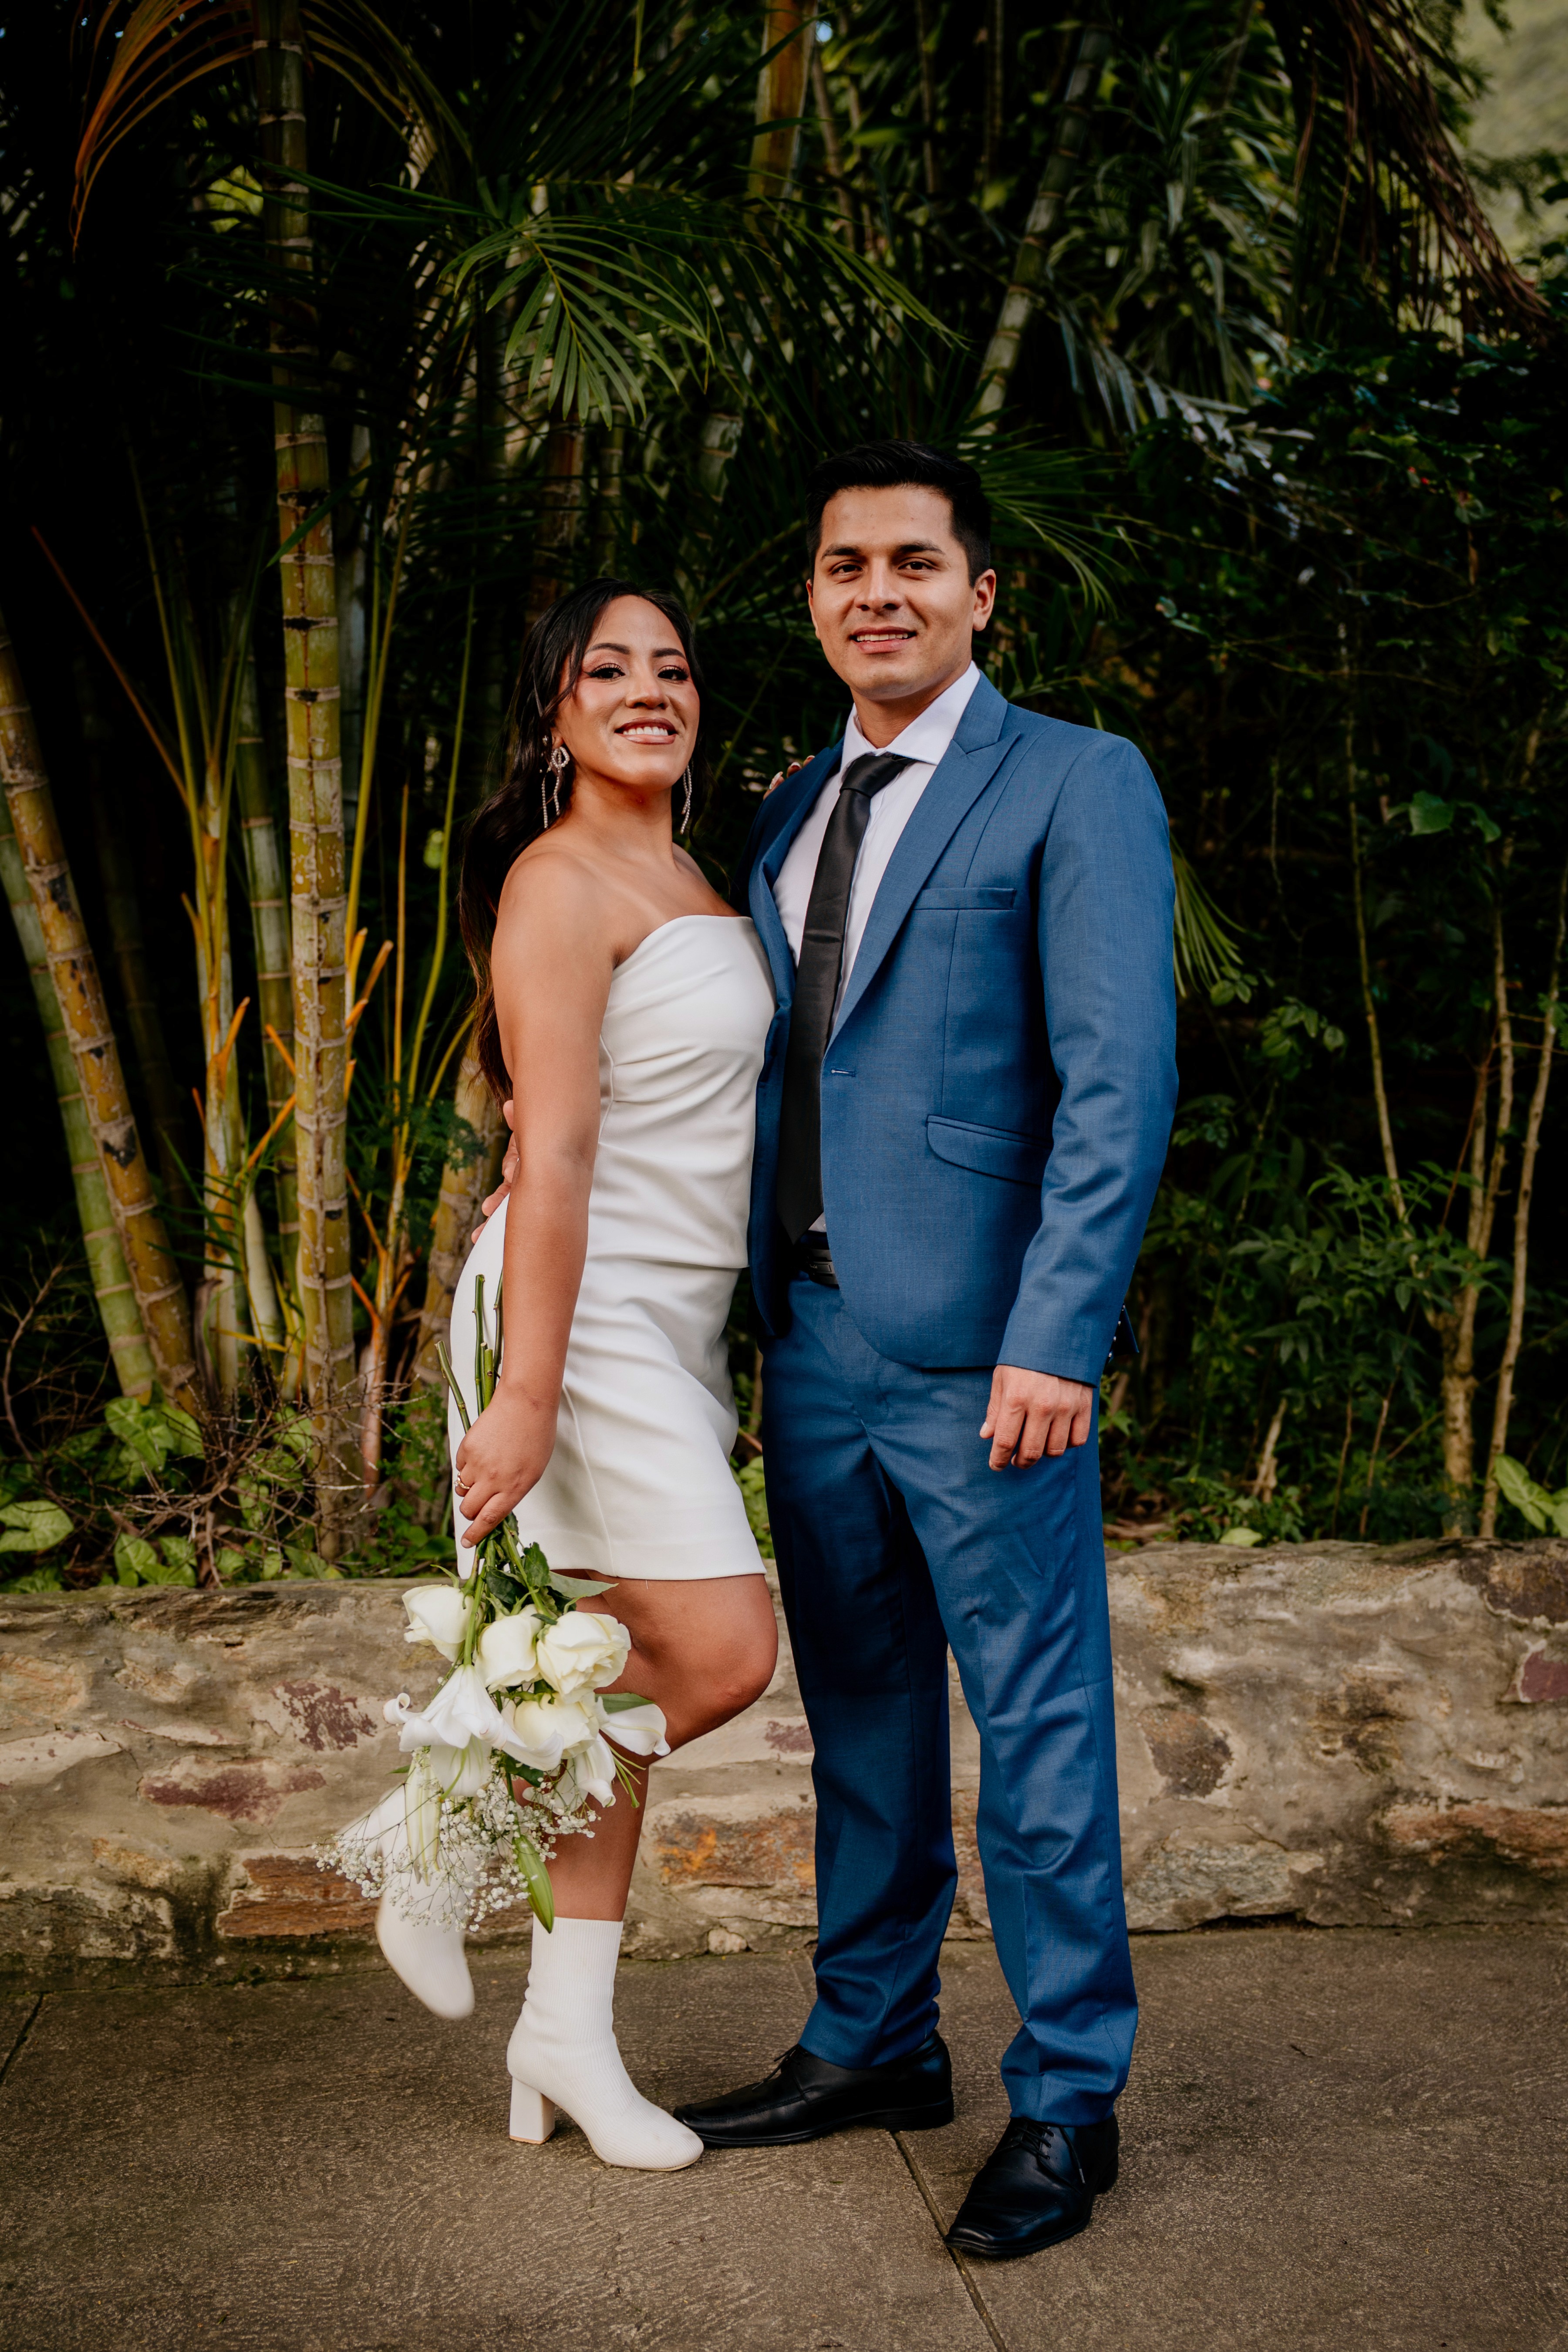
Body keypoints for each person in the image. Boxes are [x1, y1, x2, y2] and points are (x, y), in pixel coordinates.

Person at [668, 441, 1177, 2262]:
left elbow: (1117, 1078)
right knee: (863, 1720)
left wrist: (1058, 1334)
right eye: (842, 566)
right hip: (809, 1340)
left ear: (978, 592)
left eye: (910, 562)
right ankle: (875, 2039)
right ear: (811, 597)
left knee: (1036, 1737)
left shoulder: (1075, 779)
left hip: (986, 1359)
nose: (874, 592)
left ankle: (1067, 2100)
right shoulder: (791, 802)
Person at [385, 579, 779, 2174]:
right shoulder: (555, 881)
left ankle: (564, 2031)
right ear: (553, 713)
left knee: (593, 1672)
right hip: (582, 1312)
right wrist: (527, 1392)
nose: (645, 689)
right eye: (605, 669)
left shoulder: (694, 872)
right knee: (725, 1650)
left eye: (669, 667)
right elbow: (547, 1152)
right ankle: (449, 1831)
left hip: (672, 1321)